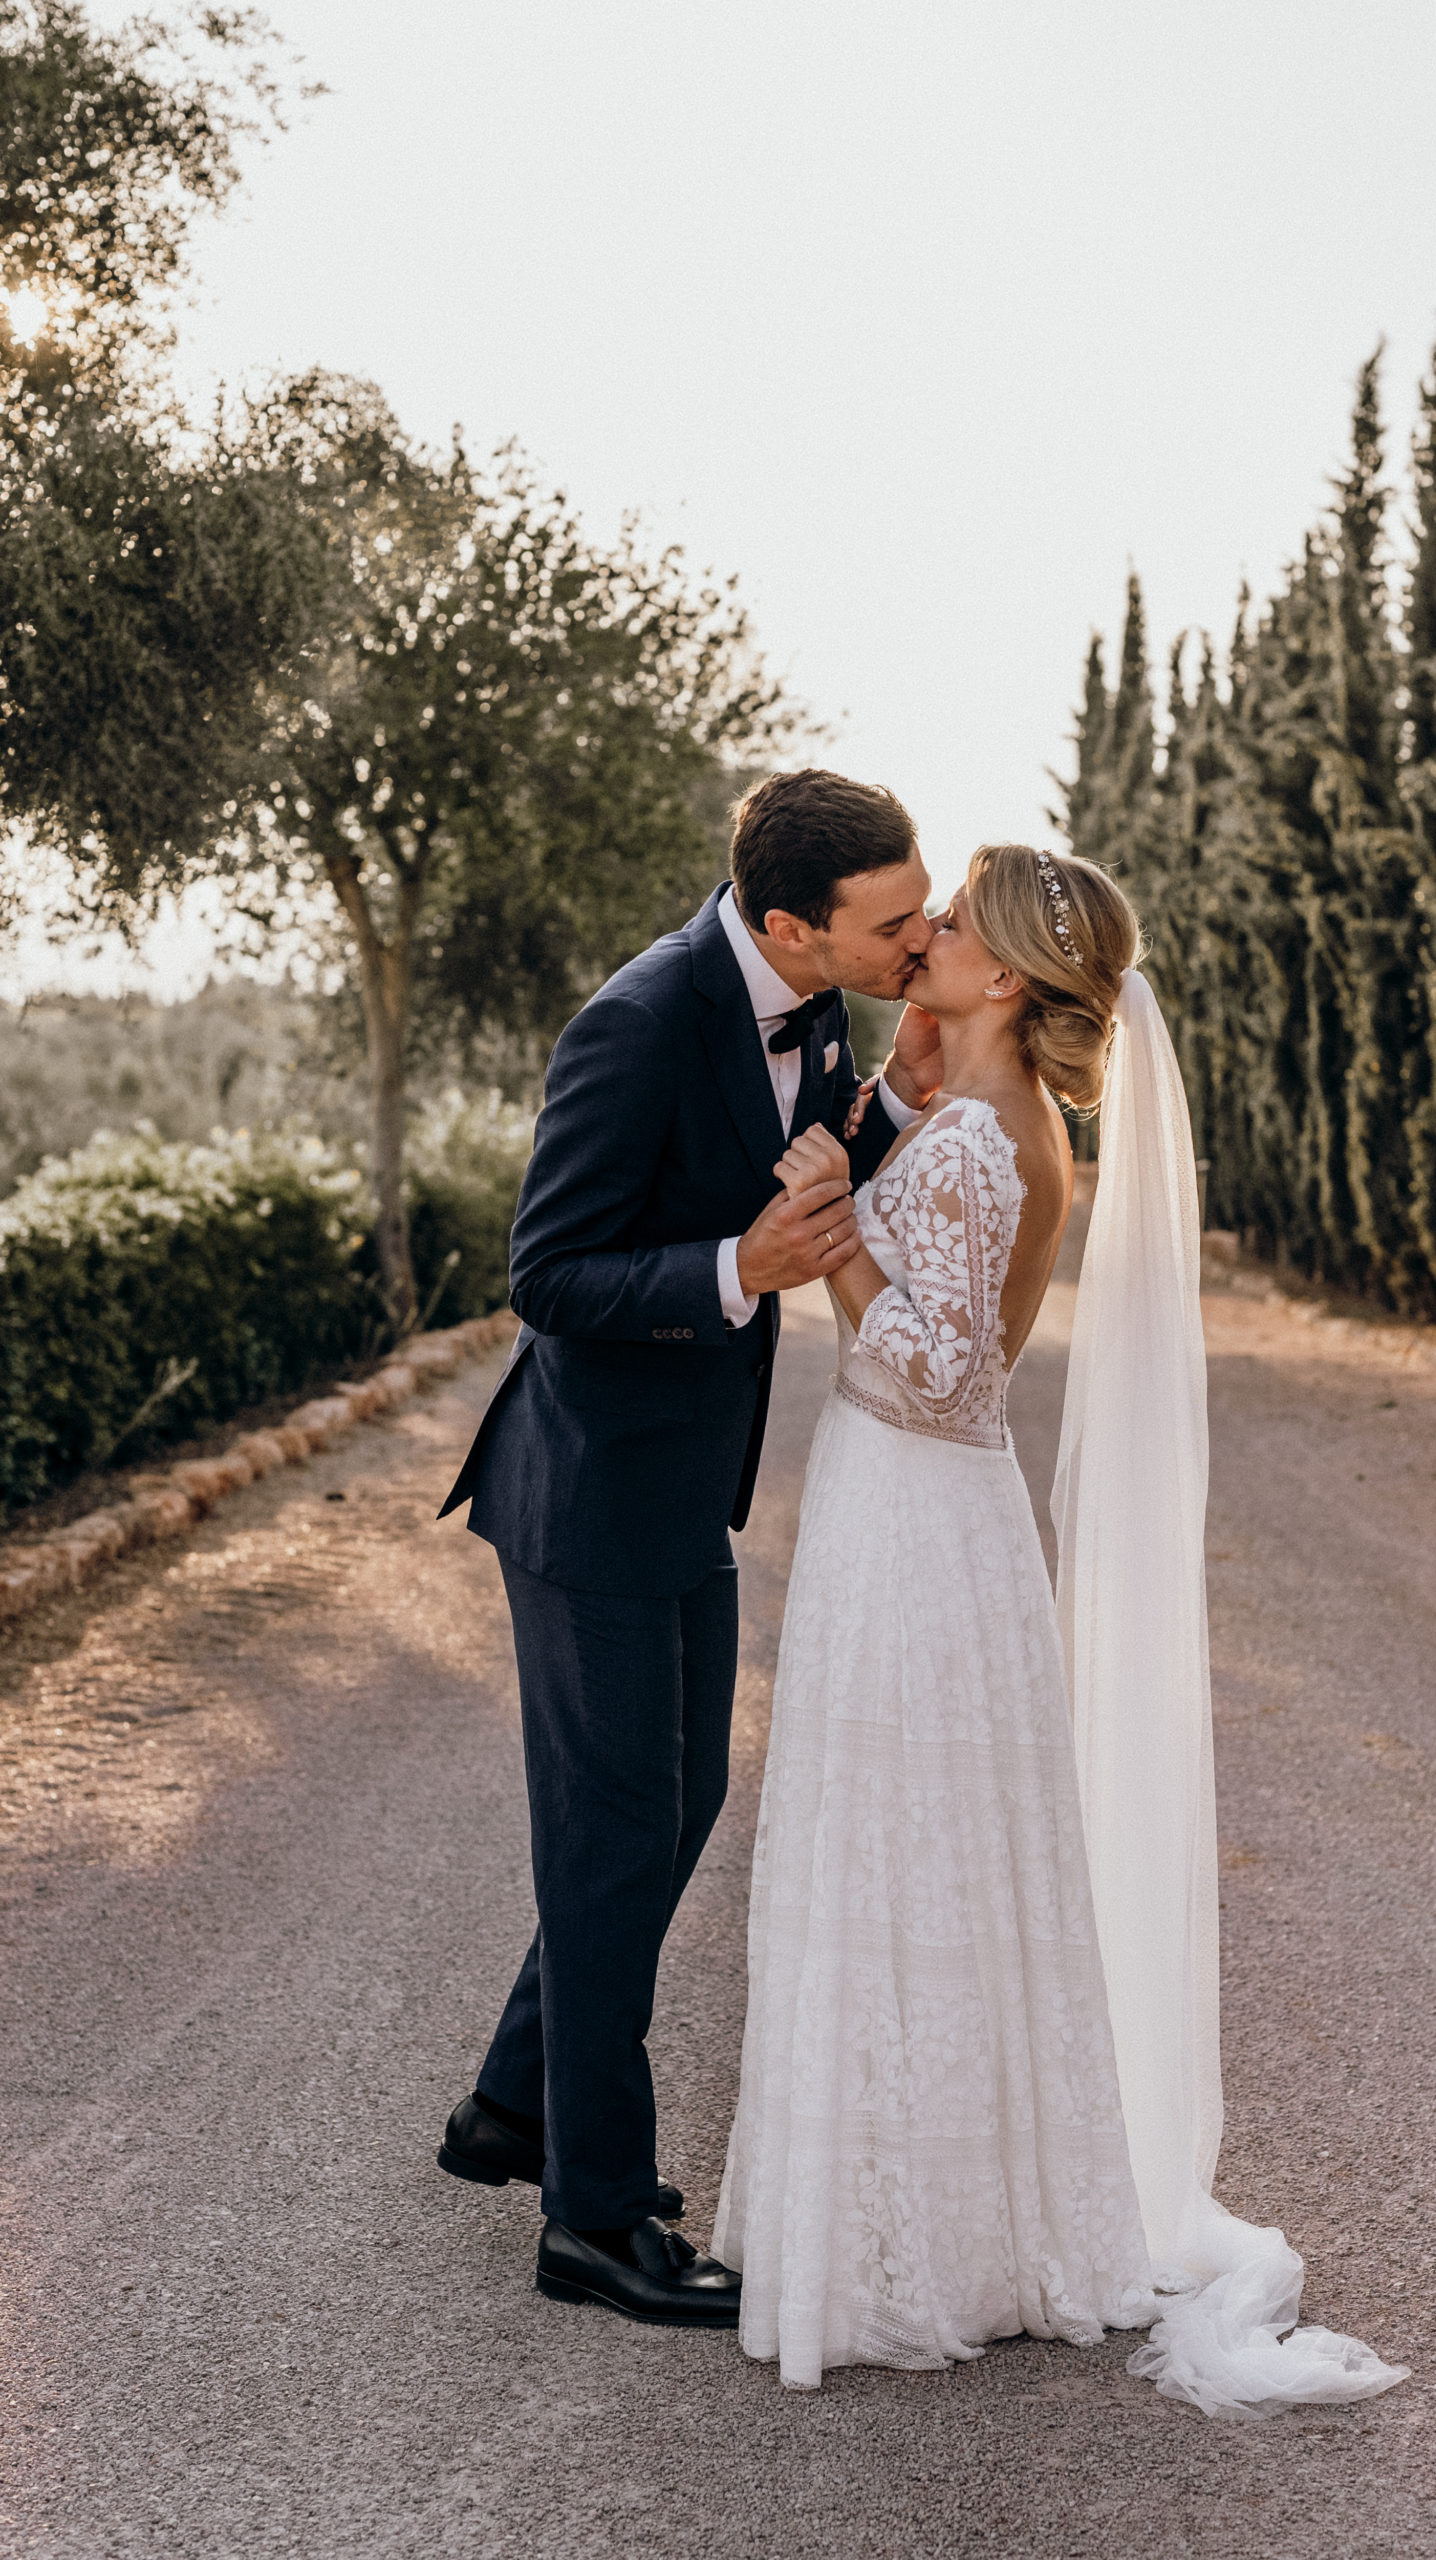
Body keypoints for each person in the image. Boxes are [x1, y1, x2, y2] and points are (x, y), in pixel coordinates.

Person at [715, 843, 1409, 2416]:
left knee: (895, 1855)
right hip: (935, 1517)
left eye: (952, 919)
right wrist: (868, 1157)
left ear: (1006, 977)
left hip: (913, 1504)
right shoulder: (982, 1120)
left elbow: (934, 1374)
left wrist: (830, 1231)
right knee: (936, 1858)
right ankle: (971, 2225)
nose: (931, 933)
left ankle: (908, 2249)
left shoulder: (979, 1142)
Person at [435, 768, 942, 2327]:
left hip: (680, 1486)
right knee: (612, 1829)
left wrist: (901, 1101)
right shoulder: (639, 1020)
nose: (919, 943)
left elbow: (799, 1158)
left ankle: (513, 2105)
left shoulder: (816, 1000)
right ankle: (590, 2219)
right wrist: (736, 1266)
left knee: (679, 1799)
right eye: (895, 923)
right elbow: (549, 1273)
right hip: (586, 1490)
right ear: (792, 922)